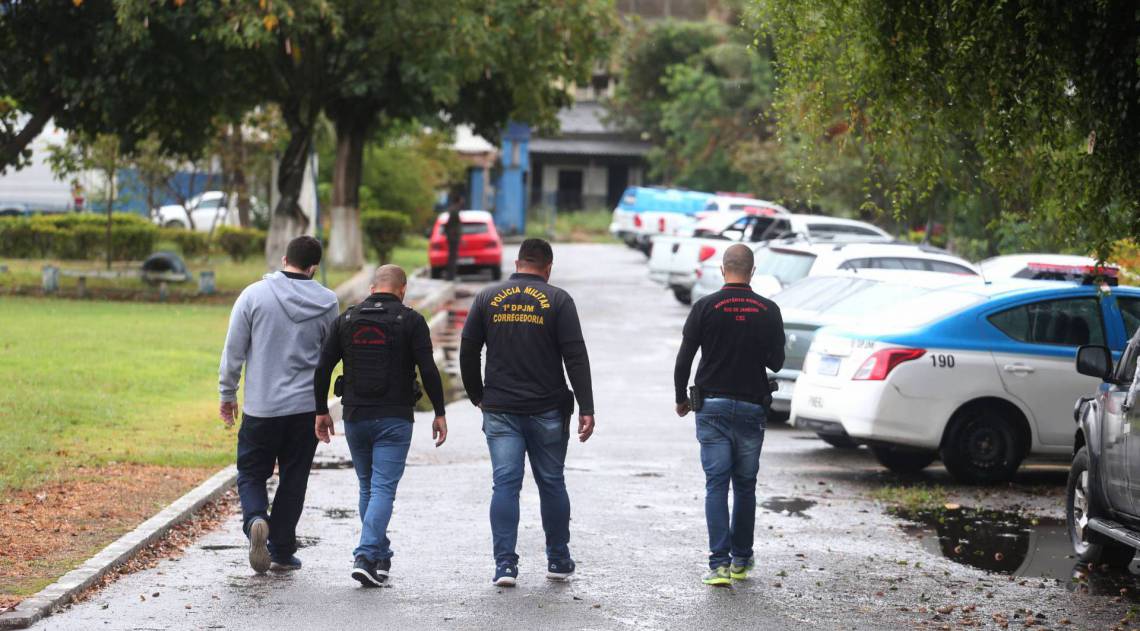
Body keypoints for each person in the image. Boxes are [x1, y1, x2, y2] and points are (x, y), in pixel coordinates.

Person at [459, 238, 595, 587]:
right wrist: (586, 406)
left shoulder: (486, 298)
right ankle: (558, 559)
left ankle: (504, 565)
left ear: (517, 263)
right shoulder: (559, 300)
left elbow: (468, 350)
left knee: (504, 484)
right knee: (551, 482)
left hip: (500, 407)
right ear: (548, 268)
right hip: (547, 408)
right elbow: (575, 356)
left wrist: (478, 396)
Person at [313, 264, 448, 588]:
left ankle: (380, 556)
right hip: (394, 418)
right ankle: (364, 554)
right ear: (402, 290)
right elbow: (428, 369)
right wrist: (439, 412)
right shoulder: (411, 320)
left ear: (372, 288)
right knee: (383, 488)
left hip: (356, 416)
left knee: (368, 486)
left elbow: (322, 369)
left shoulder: (346, 319)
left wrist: (321, 411)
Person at [219, 235, 339, 574]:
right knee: (294, 478)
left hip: (262, 408)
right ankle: (283, 550)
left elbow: (234, 351)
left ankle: (256, 518)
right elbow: (329, 355)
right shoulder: (328, 302)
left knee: (252, 473)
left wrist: (227, 394)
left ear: (284, 258)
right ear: (314, 267)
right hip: (304, 409)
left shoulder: (254, 295)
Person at [673, 243, 785, 586]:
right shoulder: (768, 309)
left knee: (716, 485)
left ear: (723, 270)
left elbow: (684, 360)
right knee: (746, 486)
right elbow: (777, 363)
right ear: (752, 273)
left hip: (711, 407)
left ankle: (718, 565)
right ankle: (741, 560)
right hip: (752, 407)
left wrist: (681, 399)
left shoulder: (705, 306)